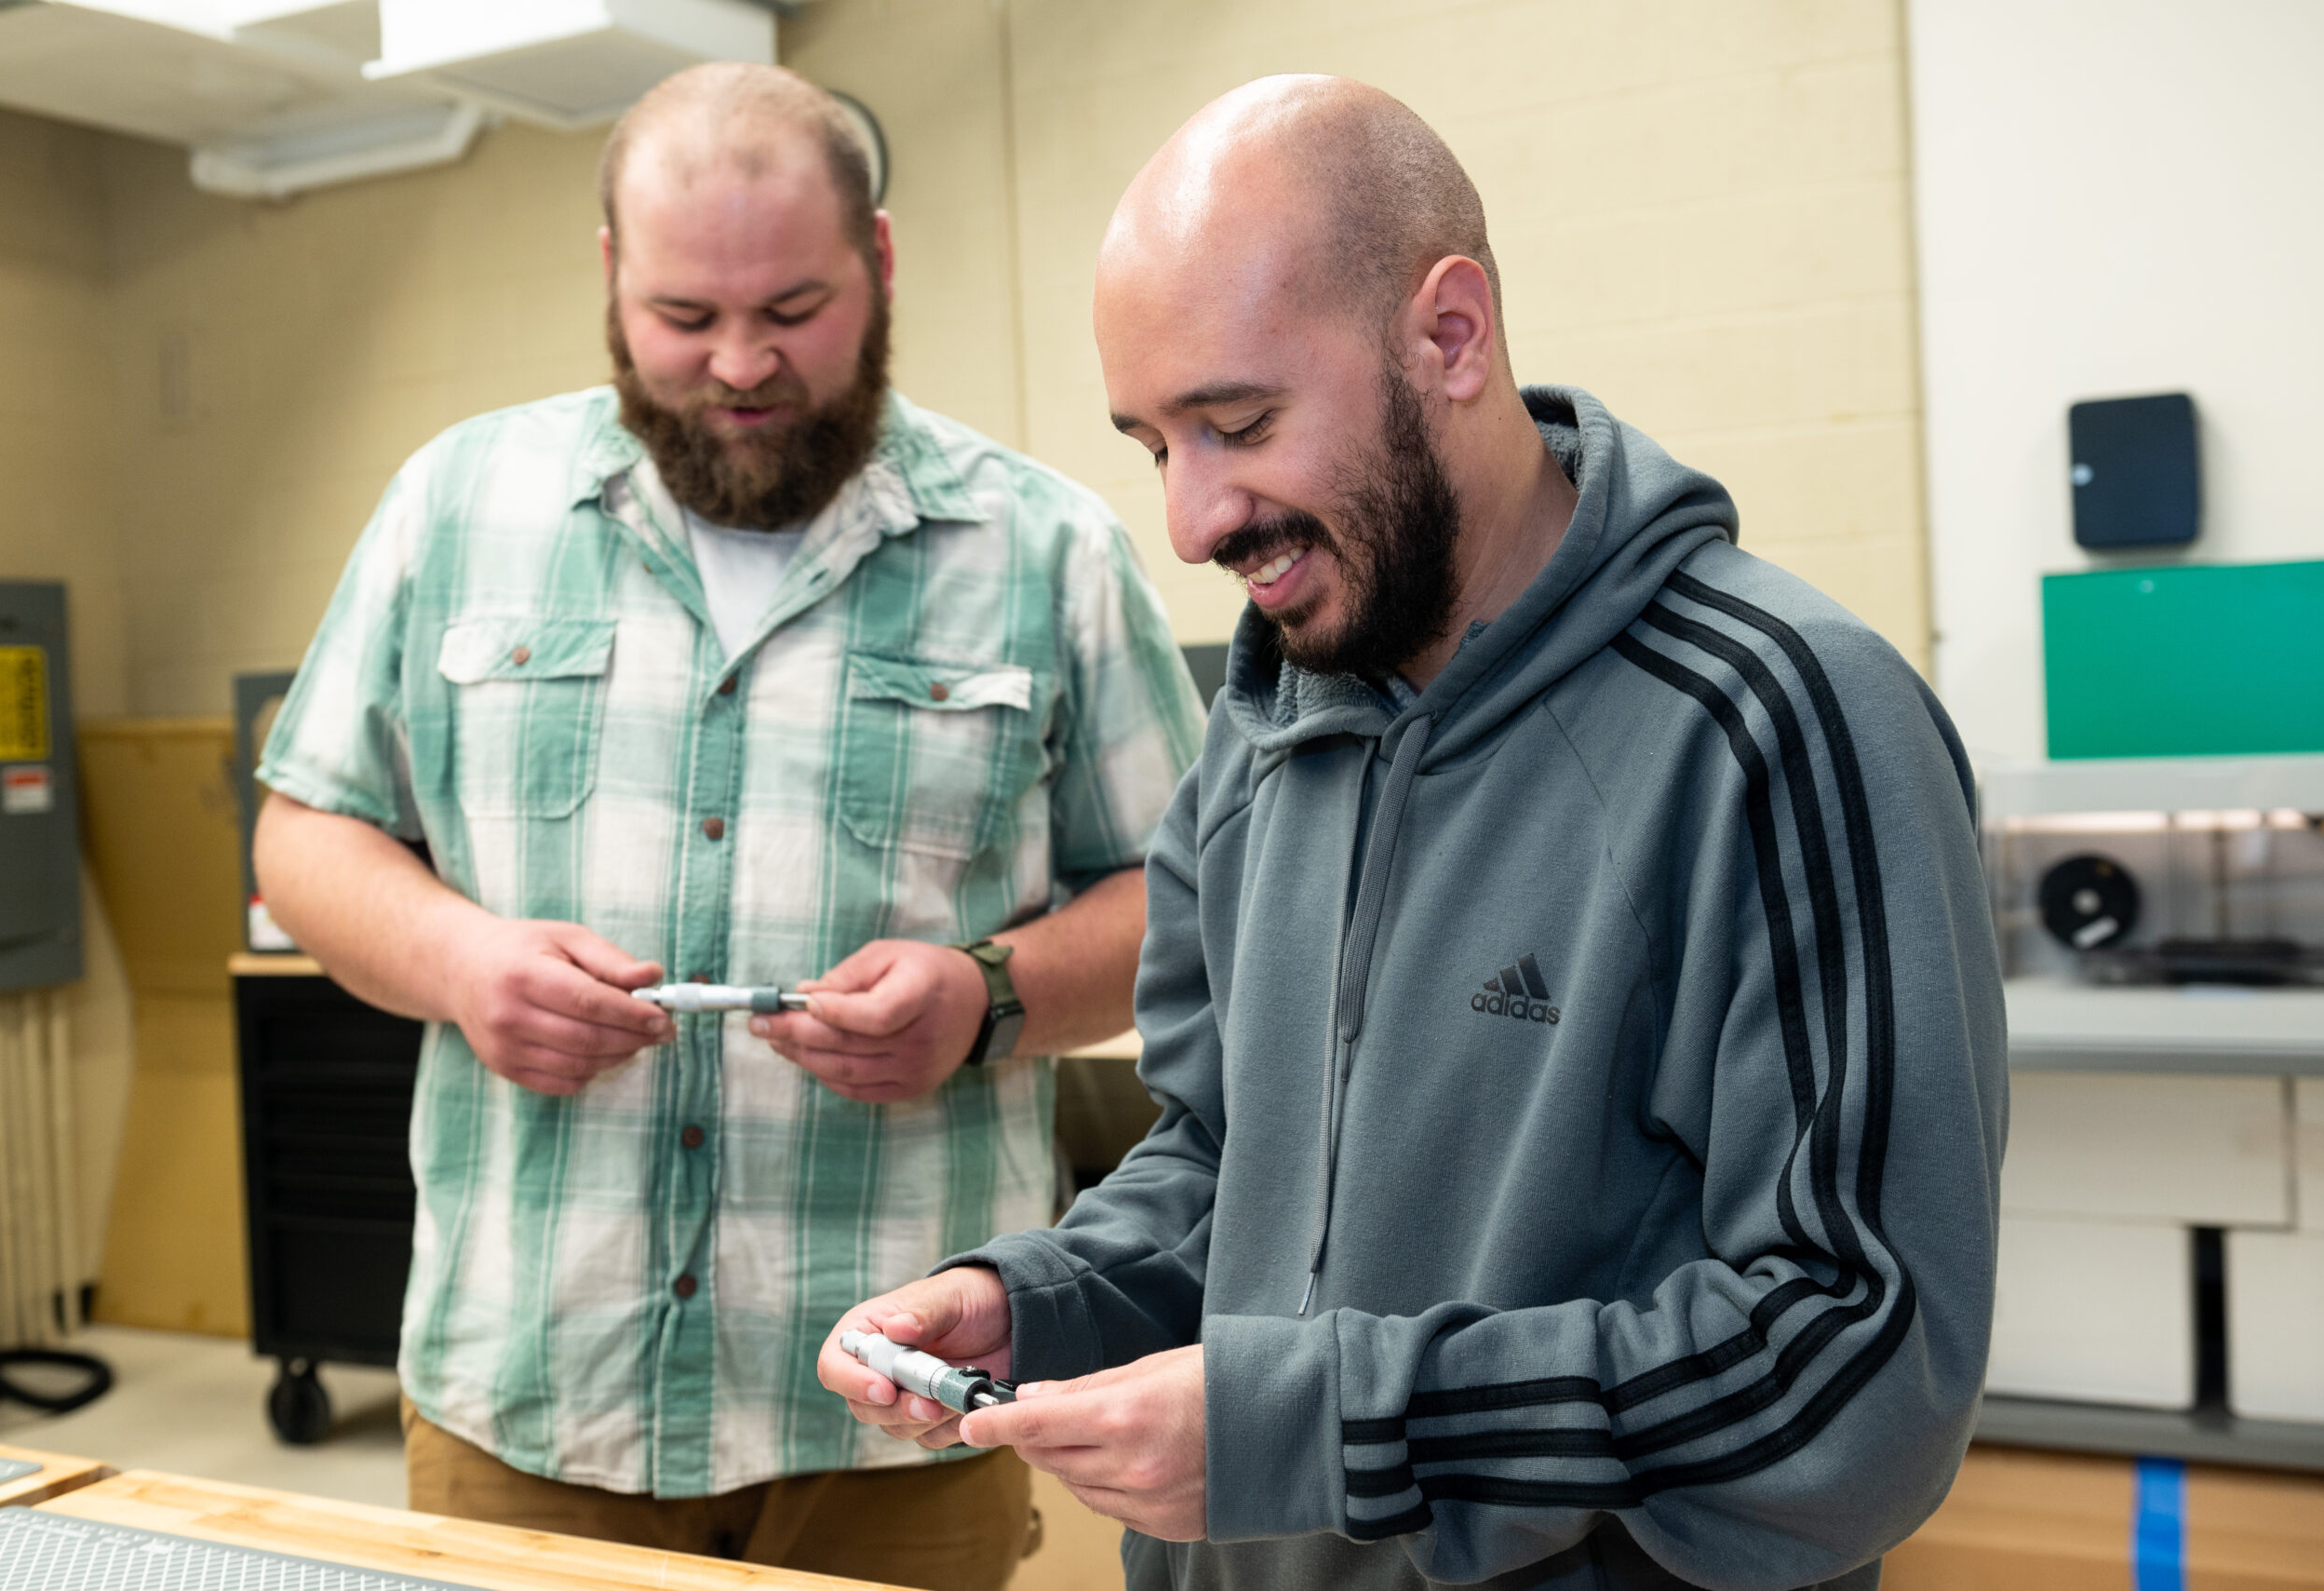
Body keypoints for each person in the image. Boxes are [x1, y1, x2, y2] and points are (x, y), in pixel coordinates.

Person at [820, 75, 2006, 1591]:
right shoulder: (1262, 739)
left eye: (1238, 423)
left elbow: (1856, 1363)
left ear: (1451, 336)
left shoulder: (1783, 723)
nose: (1190, 520)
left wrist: (1335, 1424)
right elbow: (1229, 1170)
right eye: (1152, 443)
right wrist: (1038, 1292)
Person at [254, 61, 1204, 1591]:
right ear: (613, 278)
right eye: (686, 318)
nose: (743, 363)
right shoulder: (453, 508)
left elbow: (1195, 904)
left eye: (796, 307)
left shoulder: (1050, 553)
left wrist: (988, 997)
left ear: (881, 265)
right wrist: (459, 960)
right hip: (528, 1409)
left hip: (901, 1417)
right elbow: (304, 834)